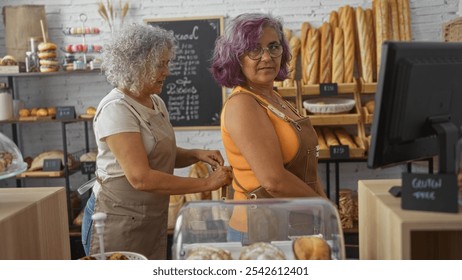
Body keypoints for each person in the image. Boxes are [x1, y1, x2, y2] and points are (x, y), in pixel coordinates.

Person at [81, 24, 233, 259]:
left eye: (167, 62)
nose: (167, 71)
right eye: (160, 64)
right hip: (116, 220)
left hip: (149, 217)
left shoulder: (154, 102)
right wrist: (206, 184)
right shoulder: (116, 109)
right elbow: (141, 177)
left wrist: (195, 154)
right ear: (136, 65)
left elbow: (157, 155)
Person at [210, 13, 327, 241]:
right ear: (236, 58)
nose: (267, 57)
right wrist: (322, 206)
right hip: (258, 230)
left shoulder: (276, 98)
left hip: (293, 223)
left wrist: (324, 208)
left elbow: (307, 169)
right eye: (254, 49)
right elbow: (273, 180)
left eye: (274, 47)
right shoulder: (242, 104)